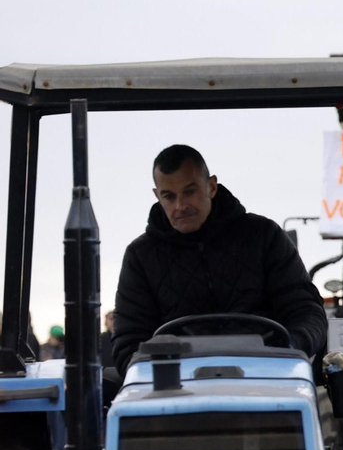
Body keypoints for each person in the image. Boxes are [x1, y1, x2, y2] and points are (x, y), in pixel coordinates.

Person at [111, 144, 327, 373]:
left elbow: (307, 312)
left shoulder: (264, 236)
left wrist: (288, 348)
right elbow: (128, 343)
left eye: (189, 191)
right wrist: (158, 368)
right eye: (169, 196)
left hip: (266, 373)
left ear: (211, 187)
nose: (180, 206)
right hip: (176, 386)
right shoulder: (141, 256)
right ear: (157, 196)